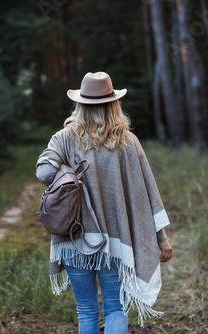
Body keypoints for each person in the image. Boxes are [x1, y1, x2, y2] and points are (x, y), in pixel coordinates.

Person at [36, 72, 172, 334]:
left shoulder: (64, 138)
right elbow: (148, 194)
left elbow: (43, 173)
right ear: (114, 105)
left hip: (74, 239)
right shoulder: (128, 142)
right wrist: (161, 238)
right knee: (114, 308)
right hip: (115, 244)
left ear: (80, 104)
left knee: (86, 311)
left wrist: (67, 172)